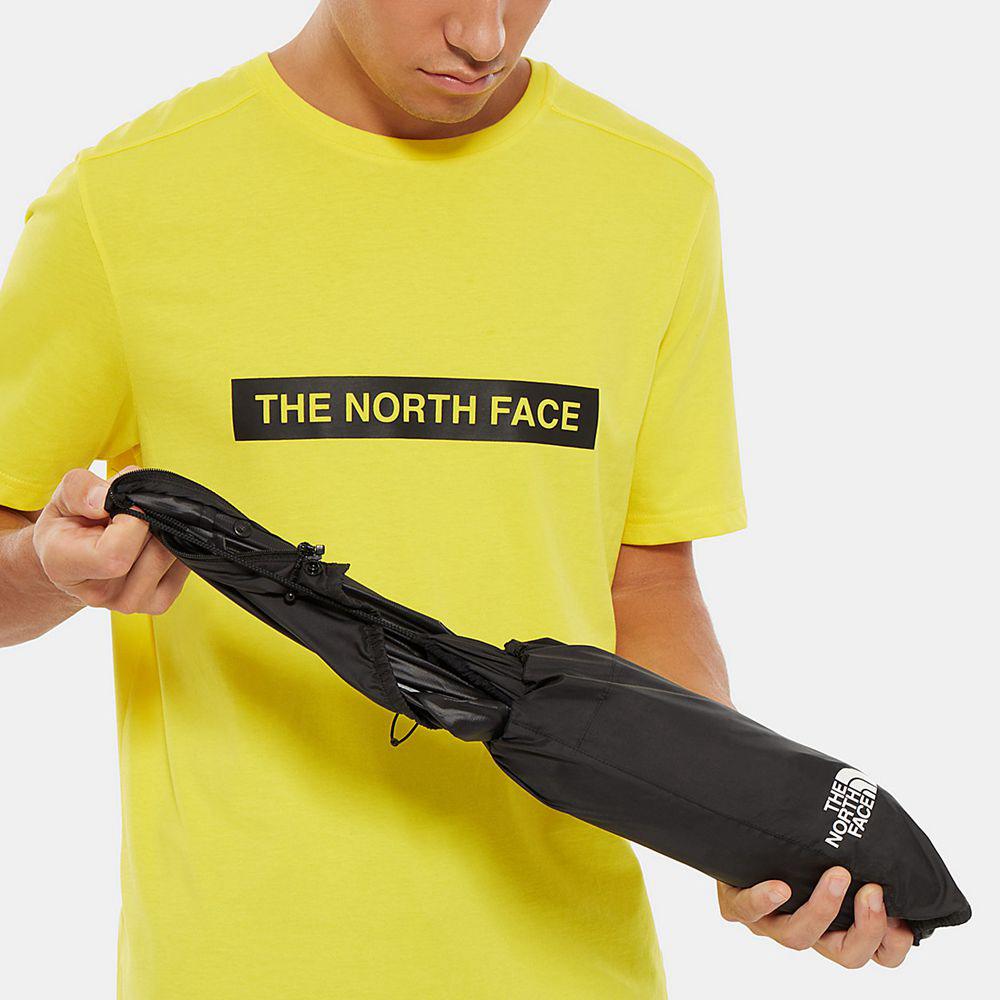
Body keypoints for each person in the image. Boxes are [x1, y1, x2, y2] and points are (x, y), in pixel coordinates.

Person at [0, 2, 914, 996]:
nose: (486, 36)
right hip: (244, 967)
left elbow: (645, 585)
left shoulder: (652, 196)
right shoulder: (127, 199)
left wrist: (738, 824)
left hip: (570, 967)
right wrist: (49, 571)